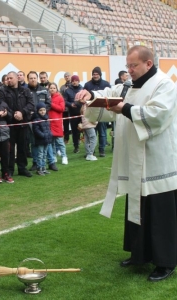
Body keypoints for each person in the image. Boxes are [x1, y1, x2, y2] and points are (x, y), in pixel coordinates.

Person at [76, 45, 177, 282]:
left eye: (133, 65)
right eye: (127, 66)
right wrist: (90, 96)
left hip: (157, 160)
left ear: (148, 64)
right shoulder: (129, 86)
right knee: (137, 206)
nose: (129, 70)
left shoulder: (165, 85)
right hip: (134, 158)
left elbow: (158, 115)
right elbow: (110, 100)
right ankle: (139, 254)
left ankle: (166, 261)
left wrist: (126, 108)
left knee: (160, 212)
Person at [1, 71, 34, 177]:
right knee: (9, 148)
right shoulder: (3, 91)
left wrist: (22, 112)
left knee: (22, 147)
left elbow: (31, 104)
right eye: (7, 78)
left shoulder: (25, 90)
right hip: (10, 123)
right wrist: (14, 114)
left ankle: (22, 168)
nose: (9, 80)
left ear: (16, 78)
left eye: (11, 78)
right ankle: (9, 169)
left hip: (23, 123)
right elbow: (3, 105)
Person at [27, 71, 57, 172]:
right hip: (32, 120)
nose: (33, 79)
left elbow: (48, 104)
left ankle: (51, 162)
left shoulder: (44, 90)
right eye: (31, 78)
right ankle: (36, 163)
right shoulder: (25, 90)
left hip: (44, 120)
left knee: (47, 141)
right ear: (28, 79)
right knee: (34, 142)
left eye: (34, 78)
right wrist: (34, 115)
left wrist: (41, 114)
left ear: (37, 78)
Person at [83, 67, 111, 157]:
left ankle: (102, 150)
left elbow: (109, 96)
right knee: (92, 133)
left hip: (102, 112)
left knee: (102, 132)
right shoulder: (87, 85)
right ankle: (91, 151)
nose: (95, 76)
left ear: (100, 74)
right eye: (94, 74)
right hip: (91, 112)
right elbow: (84, 97)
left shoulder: (106, 84)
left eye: (97, 74)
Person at [48, 82, 68, 165]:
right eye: (51, 88)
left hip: (57, 123)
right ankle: (53, 156)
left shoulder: (60, 98)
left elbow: (62, 108)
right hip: (49, 122)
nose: (52, 89)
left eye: (54, 88)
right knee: (51, 142)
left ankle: (64, 156)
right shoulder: (47, 97)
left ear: (56, 89)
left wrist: (51, 104)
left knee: (60, 142)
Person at [32, 102, 53, 175]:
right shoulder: (36, 120)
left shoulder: (47, 119)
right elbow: (36, 130)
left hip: (46, 139)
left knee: (44, 154)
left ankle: (44, 168)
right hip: (40, 140)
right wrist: (43, 135)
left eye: (44, 110)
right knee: (40, 154)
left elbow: (48, 129)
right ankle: (39, 168)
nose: (42, 111)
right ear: (37, 111)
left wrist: (50, 134)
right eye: (40, 110)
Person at [64, 75, 83, 153]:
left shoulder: (83, 89)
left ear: (79, 81)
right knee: (74, 131)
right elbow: (64, 101)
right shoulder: (67, 90)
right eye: (73, 81)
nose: (74, 82)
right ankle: (76, 146)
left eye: (76, 80)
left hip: (82, 113)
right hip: (73, 113)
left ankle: (88, 146)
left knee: (85, 130)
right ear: (71, 82)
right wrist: (70, 104)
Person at [60, 72, 71, 144]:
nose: (67, 77)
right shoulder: (62, 87)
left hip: (73, 108)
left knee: (76, 123)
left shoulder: (74, 85)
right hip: (65, 109)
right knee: (65, 125)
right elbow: (61, 97)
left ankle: (78, 138)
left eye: (68, 76)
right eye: (65, 76)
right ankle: (66, 138)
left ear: (70, 76)